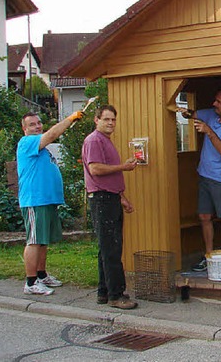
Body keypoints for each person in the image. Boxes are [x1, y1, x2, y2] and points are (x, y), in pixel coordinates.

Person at [178, 87, 221, 272]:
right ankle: (208, 257)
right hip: (204, 174)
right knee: (204, 217)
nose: (214, 104)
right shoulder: (211, 114)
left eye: (218, 101)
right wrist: (183, 111)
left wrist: (209, 131)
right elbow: (193, 114)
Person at [17, 110, 83, 295]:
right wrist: (70, 119)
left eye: (39, 123)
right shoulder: (27, 142)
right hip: (35, 200)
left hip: (46, 200)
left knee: (42, 240)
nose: (37, 126)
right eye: (32, 124)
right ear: (24, 129)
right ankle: (30, 283)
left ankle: (41, 274)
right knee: (34, 240)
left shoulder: (41, 148)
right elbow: (53, 134)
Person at [82, 105, 139, 310]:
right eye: (106, 119)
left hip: (110, 197)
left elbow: (110, 177)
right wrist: (123, 167)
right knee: (112, 249)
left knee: (106, 248)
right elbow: (95, 169)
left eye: (113, 120)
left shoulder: (105, 140)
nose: (110, 123)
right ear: (96, 120)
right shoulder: (94, 140)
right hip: (102, 200)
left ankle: (103, 292)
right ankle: (116, 295)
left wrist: (121, 197)